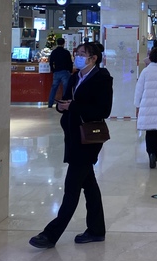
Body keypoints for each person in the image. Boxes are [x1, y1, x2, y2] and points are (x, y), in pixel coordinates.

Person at [29, 42, 113, 248]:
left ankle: (51, 234)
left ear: (93, 58)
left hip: (88, 138)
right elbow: (66, 100)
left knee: (71, 188)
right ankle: (96, 230)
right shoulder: (75, 77)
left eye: (83, 54)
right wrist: (62, 106)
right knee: (89, 186)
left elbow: (103, 110)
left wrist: (73, 107)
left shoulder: (102, 78)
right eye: (78, 53)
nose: (78, 57)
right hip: (73, 136)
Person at [47, 37, 73, 108]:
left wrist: (53, 70)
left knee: (54, 88)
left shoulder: (54, 52)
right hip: (65, 72)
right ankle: (64, 103)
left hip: (56, 72)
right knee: (65, 88)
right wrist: (70, 71)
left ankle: (50, 103)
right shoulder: (66, 52)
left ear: (57, 43)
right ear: (64, 43)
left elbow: (51, 62)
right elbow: (70, 62)